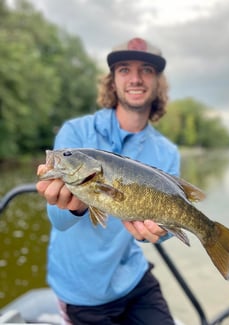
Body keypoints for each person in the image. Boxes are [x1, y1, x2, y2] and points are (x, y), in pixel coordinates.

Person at [36, 37, 180, 325]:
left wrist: (160, 232)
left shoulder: (167, 152)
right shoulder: (75, 134)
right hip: (82, 290)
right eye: (124, 69)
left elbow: (166, 226)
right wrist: (76, 206)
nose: (136, 78)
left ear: (158, 82)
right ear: (113, 81)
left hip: (132, 277)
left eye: (147, 70)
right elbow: (59, 221)